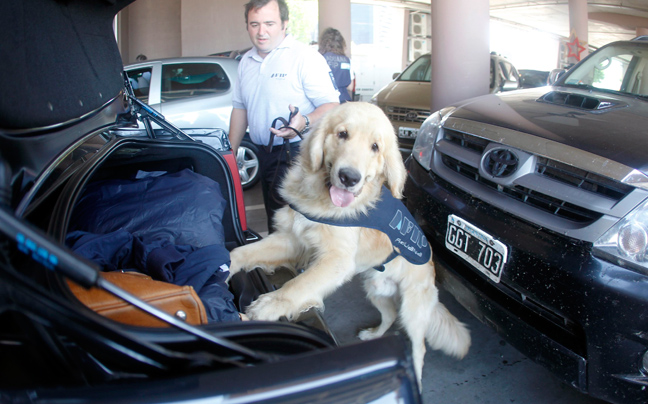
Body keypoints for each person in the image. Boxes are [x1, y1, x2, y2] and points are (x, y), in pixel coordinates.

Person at [228, 0, 340, 232]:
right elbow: (240, 109)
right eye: (254, 24)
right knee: (276, 219)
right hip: (265, 153)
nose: (261, 32)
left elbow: (332, 105)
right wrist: (229, 154)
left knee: (299, 222)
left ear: (284, 24)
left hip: (297, 153)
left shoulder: (304, 57)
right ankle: (279, 263)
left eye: (269, 23)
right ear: (247, 25)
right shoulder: (245, 62)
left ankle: (300, 266)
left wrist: (304, 121)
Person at [318, 27, 354, 103]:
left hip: (325, 102)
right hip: (343, 102)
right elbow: (350, 87)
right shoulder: (347, 60)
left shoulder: (319, 59)